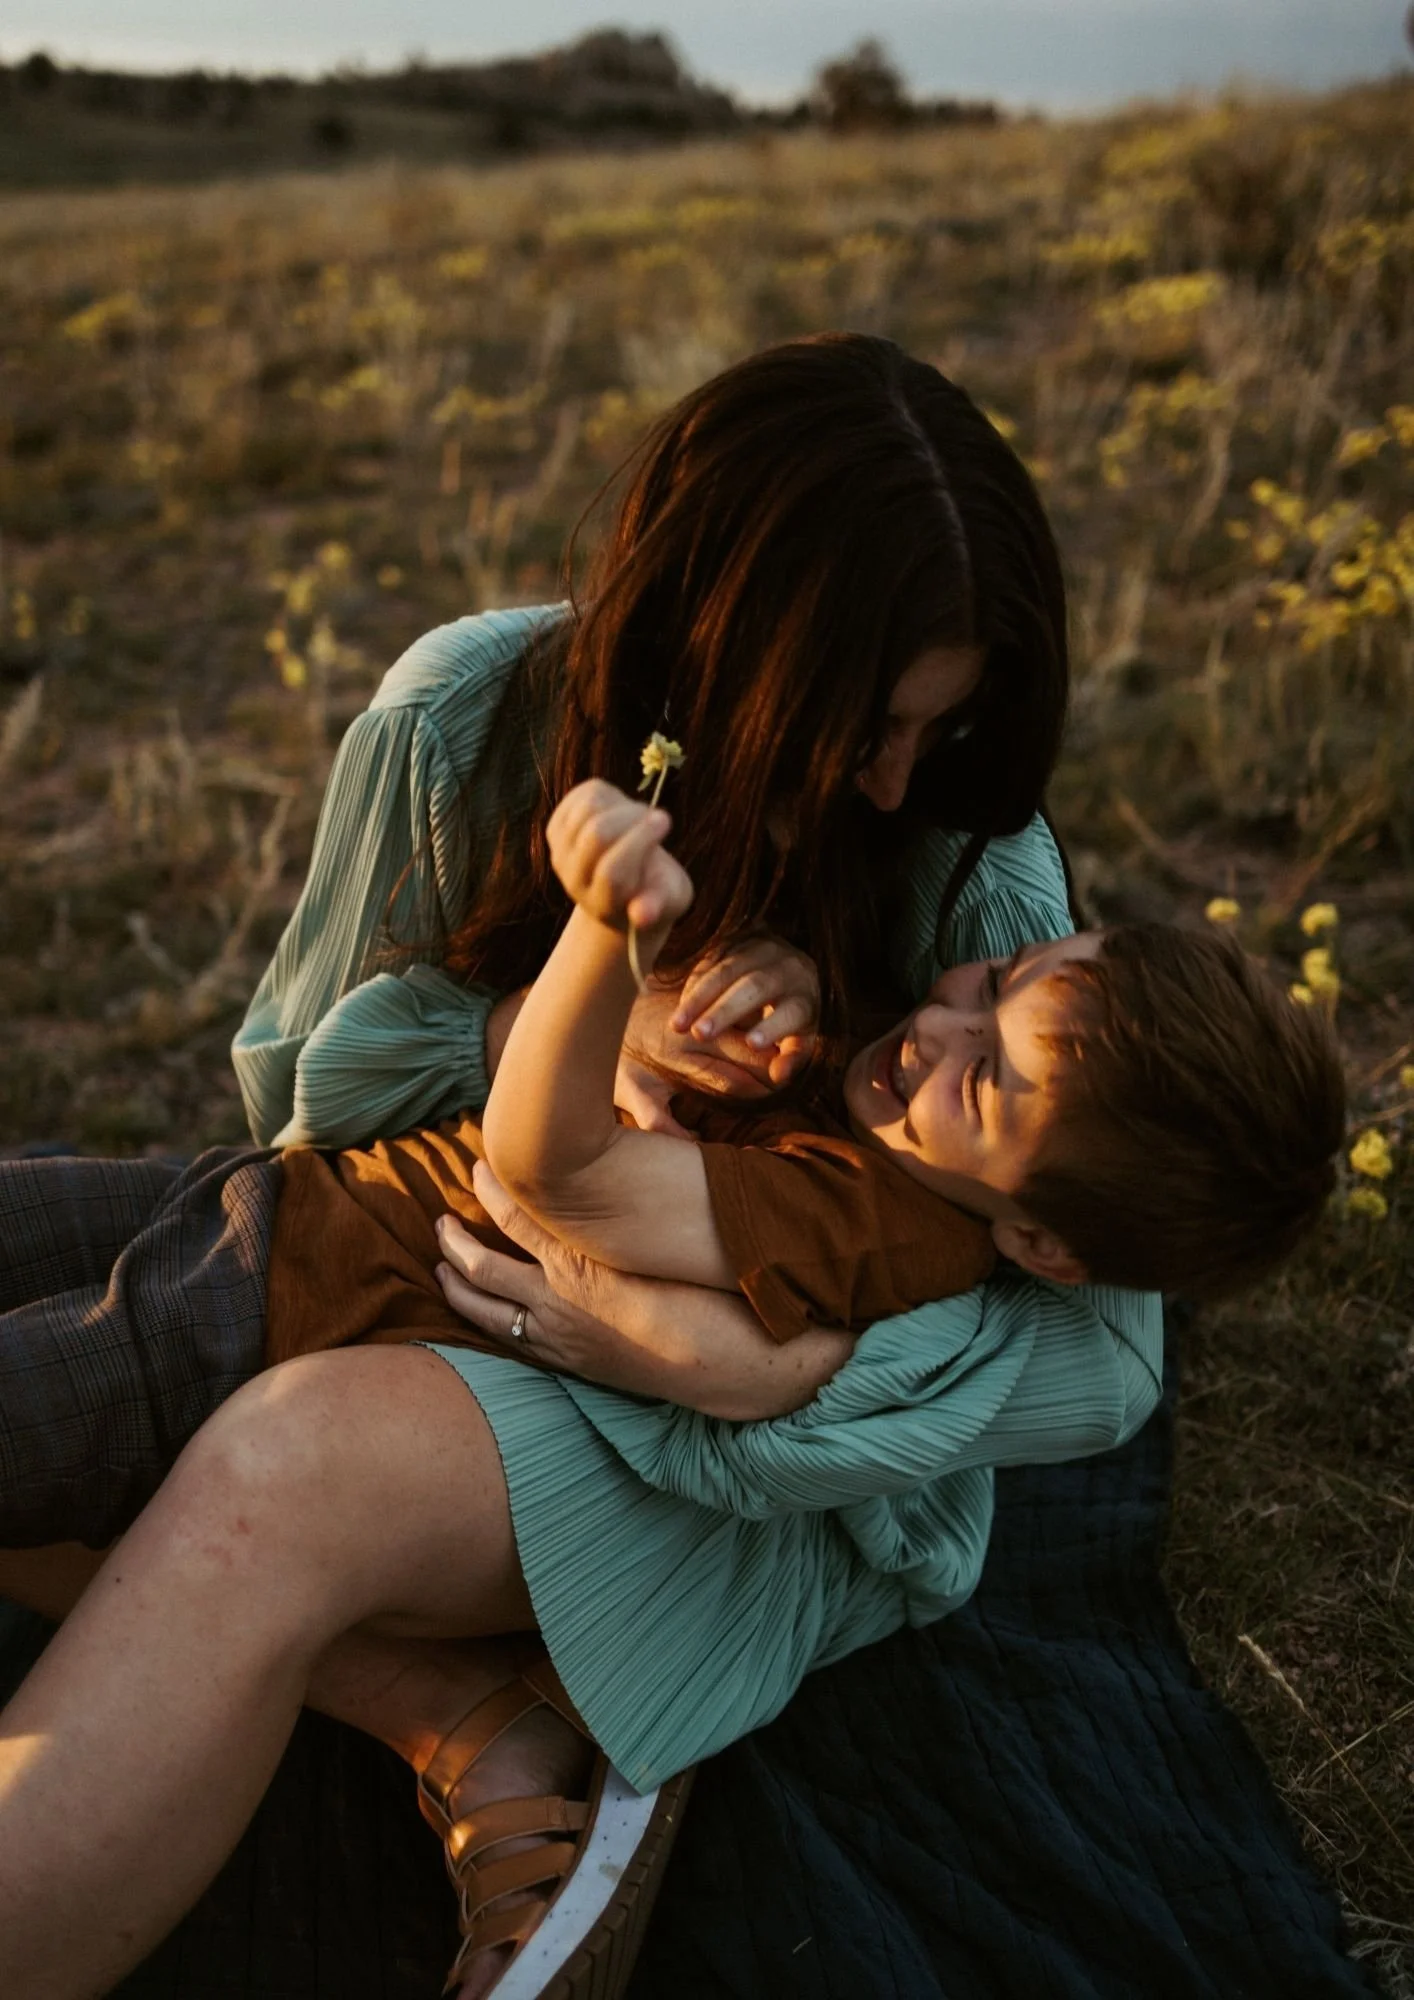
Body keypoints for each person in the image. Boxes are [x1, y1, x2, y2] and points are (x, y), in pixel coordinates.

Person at [0, 331, 1163, 1996]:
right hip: (420, 1255)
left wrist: (722, 1364)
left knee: (275, 1459)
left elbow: (1102, 1362)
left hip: (705, 1432)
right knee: (103, 1310)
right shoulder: (465, 713)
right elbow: (296, 1099)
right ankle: (466, 1713)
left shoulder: (973, 859)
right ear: (709, 644)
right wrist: (572, 1029)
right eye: (862, 724)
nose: (900, 778)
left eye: (942, 719)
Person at [0, 775, 1343, 1999]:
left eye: (983, 1074)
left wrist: (603, 932)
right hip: (288, 1210)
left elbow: (551, 1167)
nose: (937, 1021)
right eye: (995, 980)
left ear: (1042, 1245)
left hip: (296, 1307)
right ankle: (451, 1708)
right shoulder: (891, 1099)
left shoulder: (881, 1222)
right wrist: (744, 993)